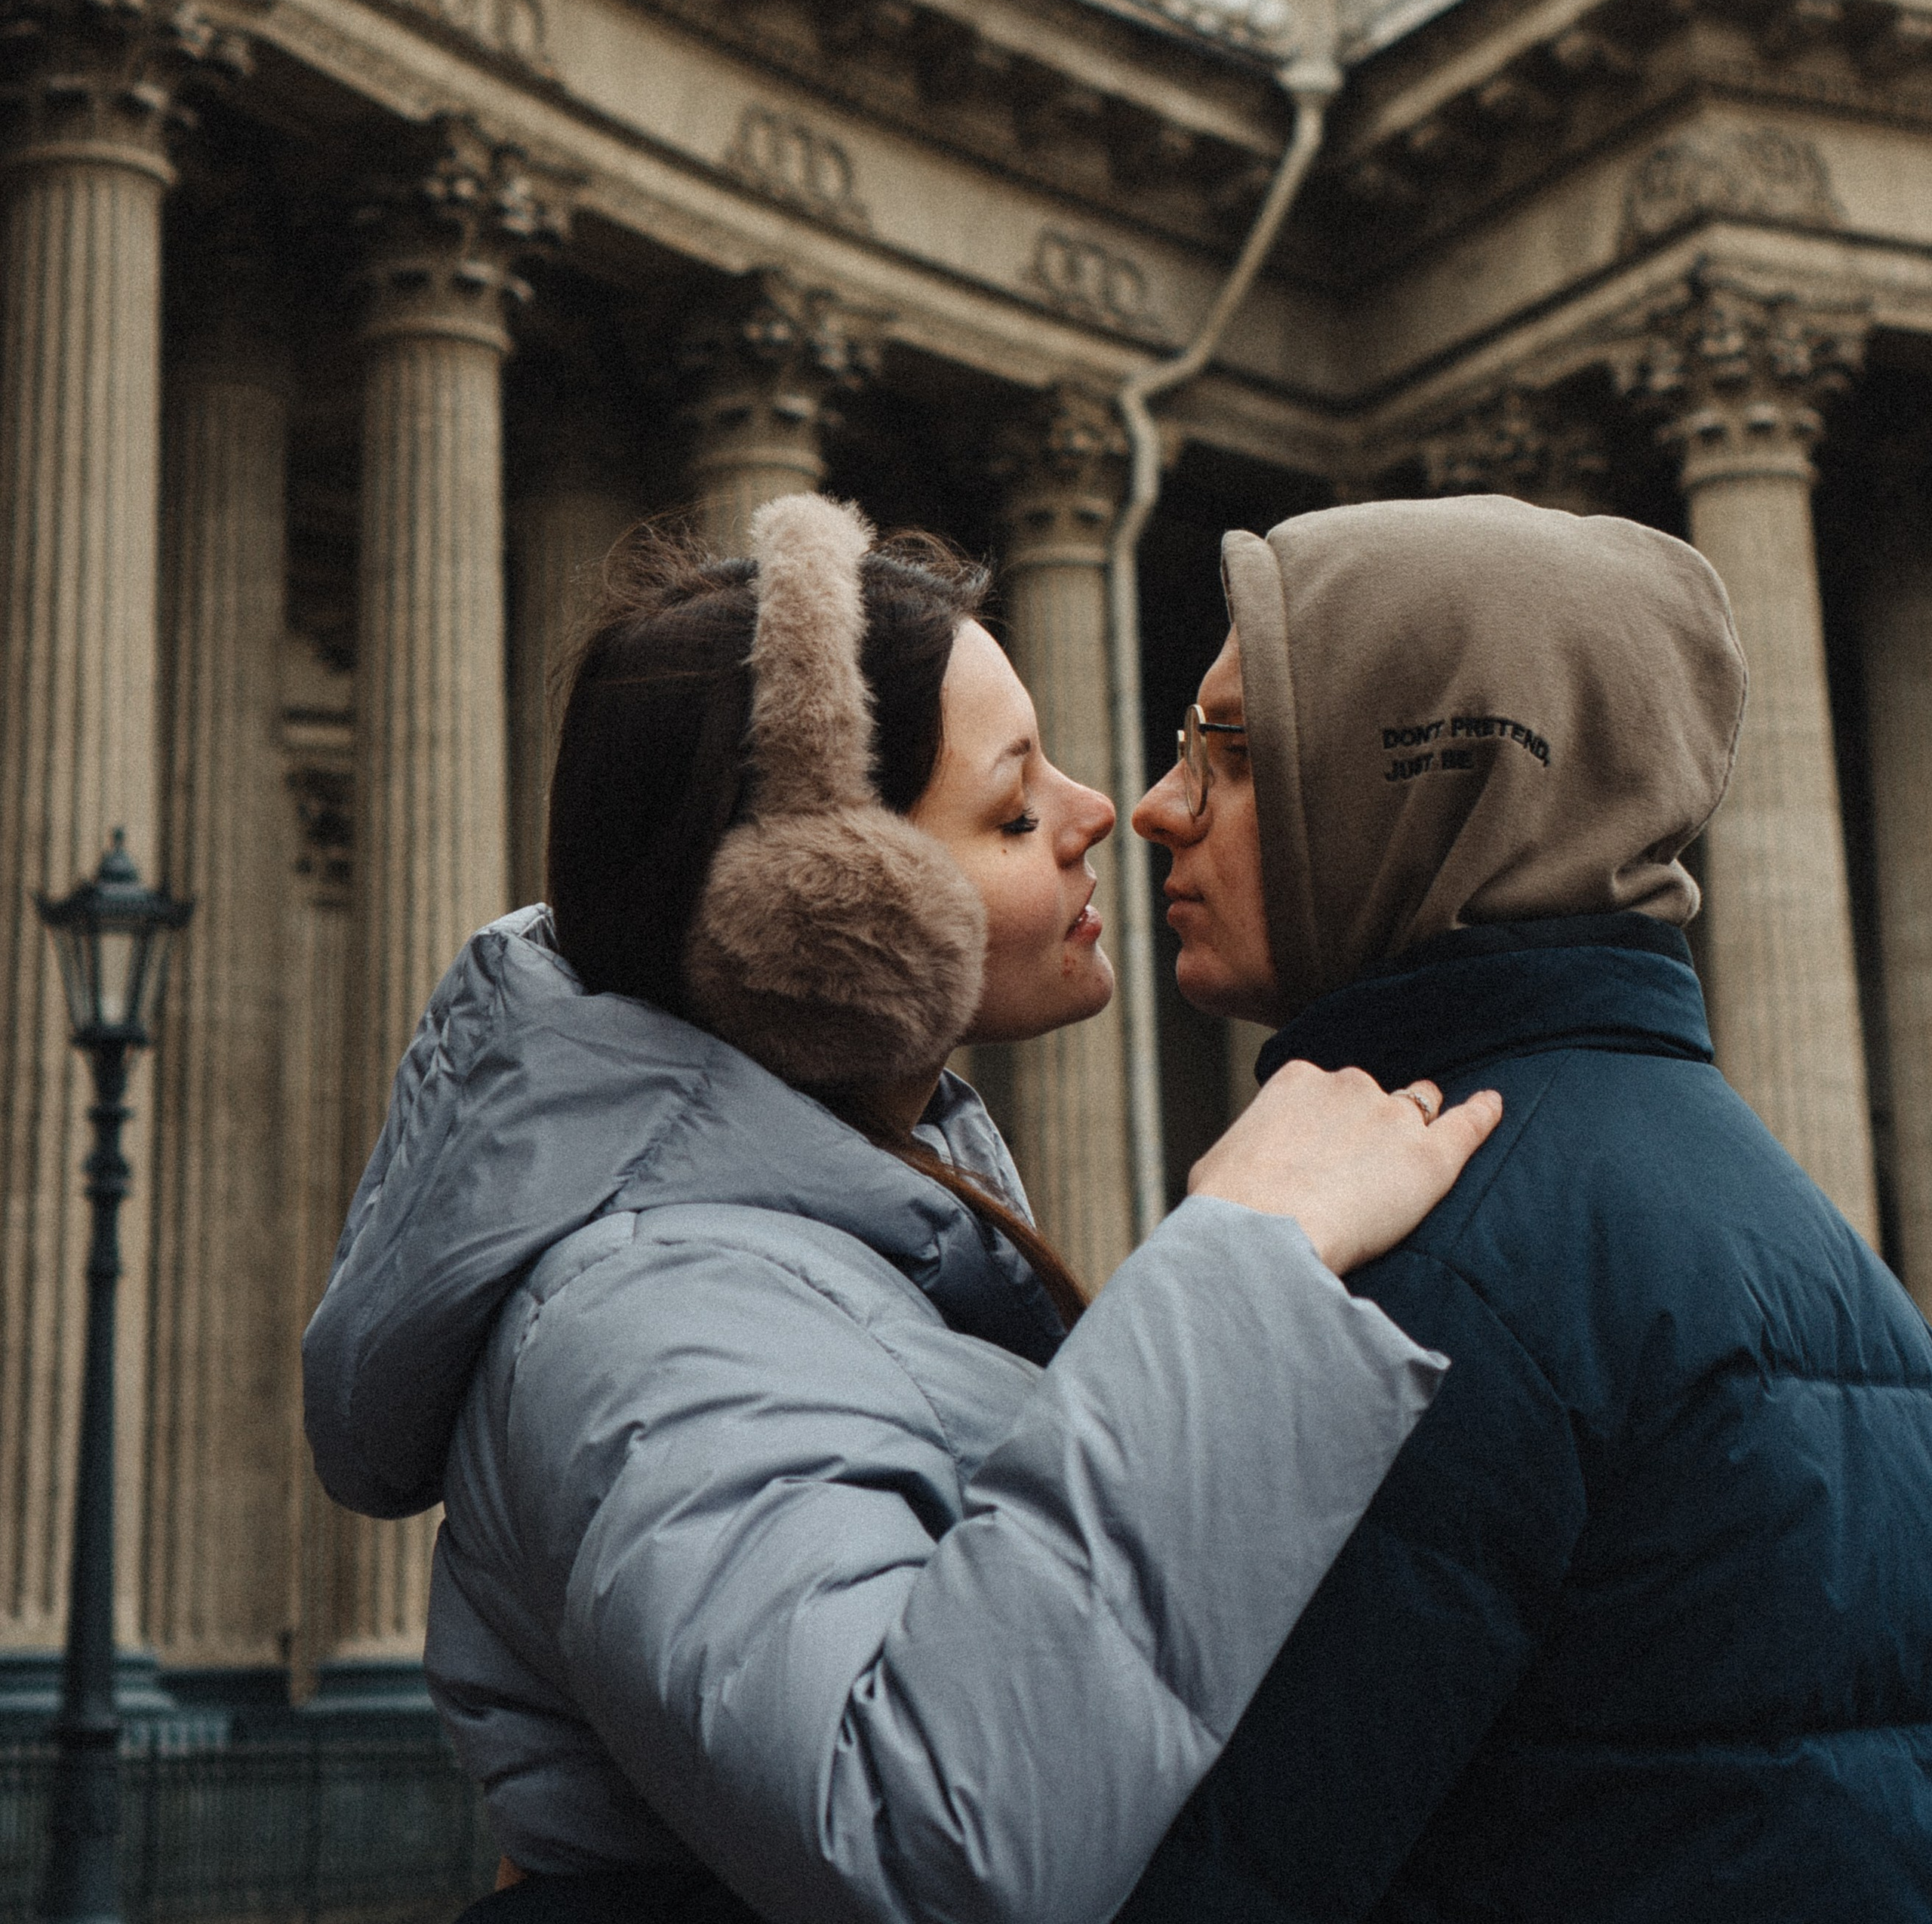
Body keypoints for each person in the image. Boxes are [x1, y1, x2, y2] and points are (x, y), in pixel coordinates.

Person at [303, 494, 1499, 1924]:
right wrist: (1247, 1263)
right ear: (829, 920)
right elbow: (924, 1847)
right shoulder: (653, 1320)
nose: (1096, 813)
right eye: (1012, 804)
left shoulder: (796, 1253)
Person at [1134, 491, 1932, 1923]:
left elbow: (1219, 1868)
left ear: (1419, 784)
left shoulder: (1430, 1260)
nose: (1157, 806)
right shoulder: (1818, 1248)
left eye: (1235, 754)